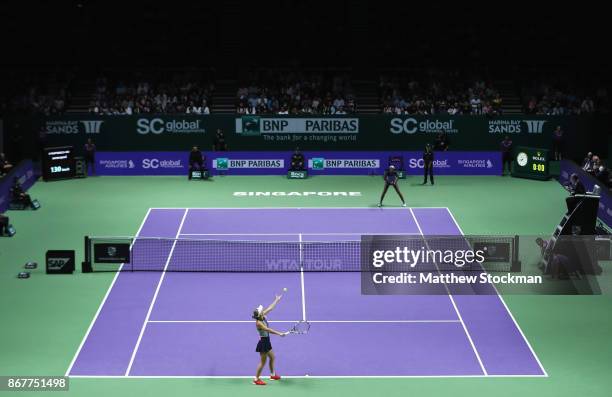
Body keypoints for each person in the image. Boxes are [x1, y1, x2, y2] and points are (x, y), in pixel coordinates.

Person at [252, 296, 285, 386]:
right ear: (260, 314)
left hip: (266, 341)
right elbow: (268, 330)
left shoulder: (262, 316)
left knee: (272, 357)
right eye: (261, 310)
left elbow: (270, 308)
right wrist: (279, 333)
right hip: (263, 343)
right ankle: (256, 379)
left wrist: (276, 300)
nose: (263, 310)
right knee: (263, 362)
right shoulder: (259, 323)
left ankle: (272, 375)